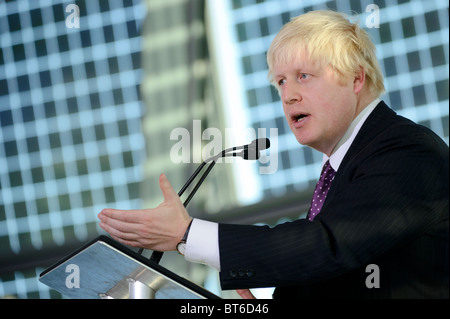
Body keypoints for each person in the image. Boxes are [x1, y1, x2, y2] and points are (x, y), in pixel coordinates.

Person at [98, 10, 449, 298]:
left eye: (304, 76)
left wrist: (188, 234)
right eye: (281, 81)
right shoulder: (343, 169)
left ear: (356, 78)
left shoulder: (408, 151)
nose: (288, 95)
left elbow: (326, 246)